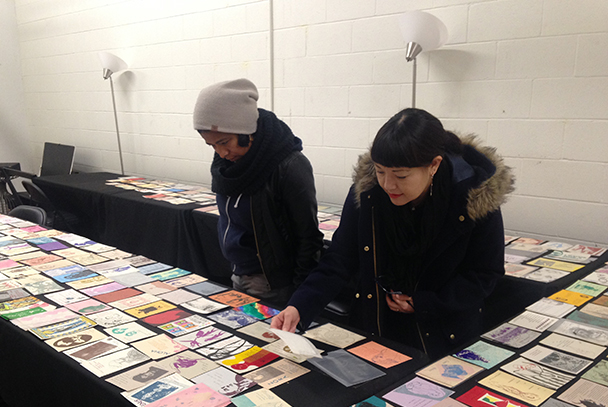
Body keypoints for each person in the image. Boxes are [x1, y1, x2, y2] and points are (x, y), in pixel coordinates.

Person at [272, 108, 514, 359]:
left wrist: (426, 303)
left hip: (443, 336)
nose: (388, 184)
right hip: (376, 326)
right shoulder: (367, 192)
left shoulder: (474, 200)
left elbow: (485, 273)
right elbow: (340, 259)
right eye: (380, 171)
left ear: (434, 165)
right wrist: (299, 306)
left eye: (400, 175)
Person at [193, 78, 323, 306]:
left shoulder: (289, 165)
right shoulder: (228, 166)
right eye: (212, 145)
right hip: (238, 272)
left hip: (273, 282)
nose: (221, 153)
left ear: (245, 130)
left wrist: (300, 296)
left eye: (224, 142)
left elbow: (308, 237)